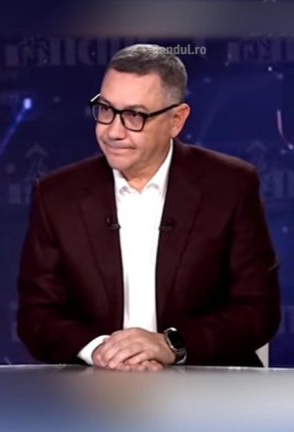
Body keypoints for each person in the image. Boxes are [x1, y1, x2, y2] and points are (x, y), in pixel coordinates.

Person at [17, 44, 280, 370]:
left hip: (206, 385)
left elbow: (257, 311)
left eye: (134, 116)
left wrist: (171, 345)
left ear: (176, 120)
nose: (113, 131)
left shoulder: (231, 186)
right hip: (97, 388)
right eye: (105, 109)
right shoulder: (57, 195)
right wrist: (101, 350)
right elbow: (36, 316)